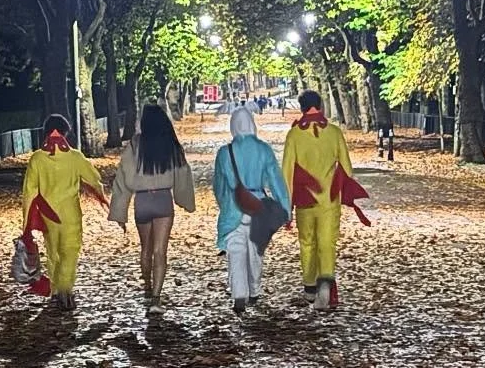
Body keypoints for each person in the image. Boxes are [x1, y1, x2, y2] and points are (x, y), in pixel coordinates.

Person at [281, 90, 370, 309]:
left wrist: (286, 205)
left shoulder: (294, 135)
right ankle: (325, 283)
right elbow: (347, 169)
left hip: (304, 199)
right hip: (330, 198)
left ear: (301, 107)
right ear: (320, 106)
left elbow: (286, 172)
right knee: (327, 242)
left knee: (307, 242)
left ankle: (309, 287)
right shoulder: (334, 132)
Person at [108, 103, 195, 307]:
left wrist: (119, 211)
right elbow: (183, 173)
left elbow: (123, 177)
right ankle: (156, 297)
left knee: (145, 249)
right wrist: (185, 200)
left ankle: (147, 286)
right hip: (164, 200)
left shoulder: (135, 144)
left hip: (142, 201)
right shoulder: (172, 145)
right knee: (160, 251)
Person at [20, 114, 107, 311]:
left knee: (53, 252)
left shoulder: (37, 158)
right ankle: (67, 290)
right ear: (66, 132)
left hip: (48, 214)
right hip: (71, 213)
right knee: (70, 251)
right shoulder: (75, 157)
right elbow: (95, 179)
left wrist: (26, 222)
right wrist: (98, 194)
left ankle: (56, 291)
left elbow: (29, 192)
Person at [213, 105, 289, 316]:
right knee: (256, 251)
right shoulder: (264, 149)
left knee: (236, 251)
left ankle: (239, 293)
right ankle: (254, 290)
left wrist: (225, 205)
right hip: (260, 208)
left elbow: (218, 186)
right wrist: (285, 208)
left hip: (233, 208)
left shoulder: (224, 153)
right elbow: (276, 181)